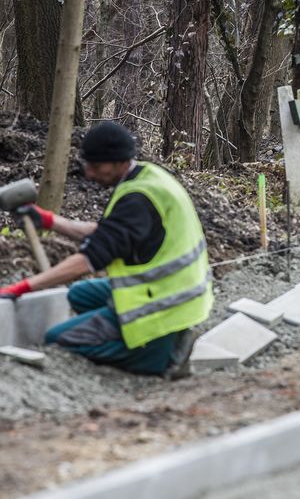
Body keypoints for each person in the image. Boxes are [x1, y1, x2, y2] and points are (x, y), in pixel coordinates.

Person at [0, 122, 213, 377]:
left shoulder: (137, 199)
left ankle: (162, 357)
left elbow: (87, 261)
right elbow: (107, 233)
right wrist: (48, 221)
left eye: (96, 166)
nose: (89, 173)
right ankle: (144, 338)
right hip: (175, 291)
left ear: (119, 162)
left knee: (58, 338)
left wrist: (22, 287)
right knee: (79, 295)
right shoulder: (148, 178)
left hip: (165, 308)